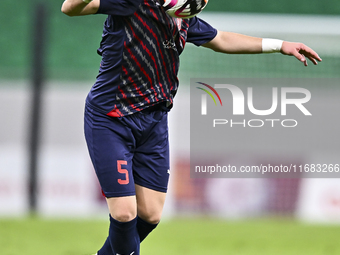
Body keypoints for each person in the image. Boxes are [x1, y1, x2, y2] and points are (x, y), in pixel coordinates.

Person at [61, 0, 322, 254]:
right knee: (125, 212)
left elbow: (221, 40)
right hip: (111, 118)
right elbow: (69, 8)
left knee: (150, 214)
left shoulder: (183, 20)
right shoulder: (131, 3)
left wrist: (280, 45)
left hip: (154, 122)